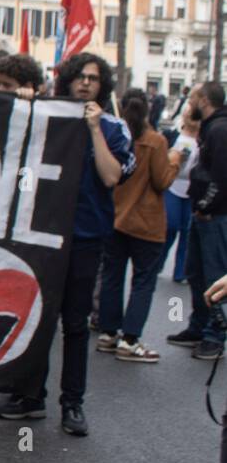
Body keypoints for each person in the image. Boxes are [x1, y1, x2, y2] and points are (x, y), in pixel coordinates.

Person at [0, 53, 135, 435]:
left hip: (85, 238)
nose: (87, 82)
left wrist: (92, 130)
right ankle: (30, 396)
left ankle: (72, 403)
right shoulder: (48, 116)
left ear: (102, 86)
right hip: (41, 235)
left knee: (74, 325)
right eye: (80, 76)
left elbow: (111, 178)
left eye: (94, 78)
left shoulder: (113, 128)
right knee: (37, 319)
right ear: (68, 80)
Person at [96, 89, 178, 362]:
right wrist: (175, 163)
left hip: (116, 216)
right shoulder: (155, 141)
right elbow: (161, 181)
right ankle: (130, 340)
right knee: (143, 281)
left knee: (112, 276)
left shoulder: (116, 137)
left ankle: (108, 333)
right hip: (146, 221)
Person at [168, 83, 227, 361]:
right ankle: (199, 326)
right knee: (196, 272)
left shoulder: (220, 129)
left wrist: (205, 206)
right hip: (204, 213)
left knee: (215, 276)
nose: (187, 103)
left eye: (191, 98)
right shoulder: (212, 127)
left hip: (215, 216)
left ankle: (215, 335)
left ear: (203, 100)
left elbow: (221, 176)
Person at [162, 94, 200, 284]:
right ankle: (159, 260)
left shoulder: (204, 138)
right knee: (171, 225)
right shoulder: (173, 135)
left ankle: (180, 271)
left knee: (187, 230)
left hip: (192, 189)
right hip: (172, 186)